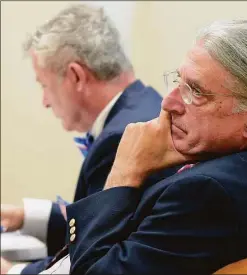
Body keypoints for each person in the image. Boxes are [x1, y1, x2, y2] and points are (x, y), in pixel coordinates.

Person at [35, 19, 247, 274]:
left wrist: (124, 173)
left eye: (196, 92)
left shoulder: (208, 191)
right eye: (179, 82)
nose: (169, 103)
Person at [0, 4, 177, 274]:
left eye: (44, 86)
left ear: (76, 76)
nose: (45, 101)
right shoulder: (142, 106)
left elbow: (91, 252)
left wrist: (10, 271)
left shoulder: (119, 139)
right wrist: (24, 217)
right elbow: (95, 224)